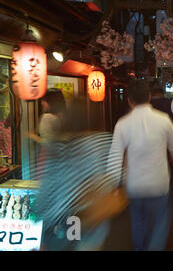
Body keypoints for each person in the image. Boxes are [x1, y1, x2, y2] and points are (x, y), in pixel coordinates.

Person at [108, 79, 173, 251]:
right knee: (159, 225)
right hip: (159, 185)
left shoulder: (122, 124)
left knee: (138, 225)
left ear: (130, 100)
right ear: (149, 97)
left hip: (134, 187)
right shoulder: (163, 120)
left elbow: (114, 157)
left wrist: (113, 185)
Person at [32, 97, 117, 251]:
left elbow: (47, 186)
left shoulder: (55, 144)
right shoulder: (101, 141)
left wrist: (38, 214)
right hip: (87, 220)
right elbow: (109, 179)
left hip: (57, 220)